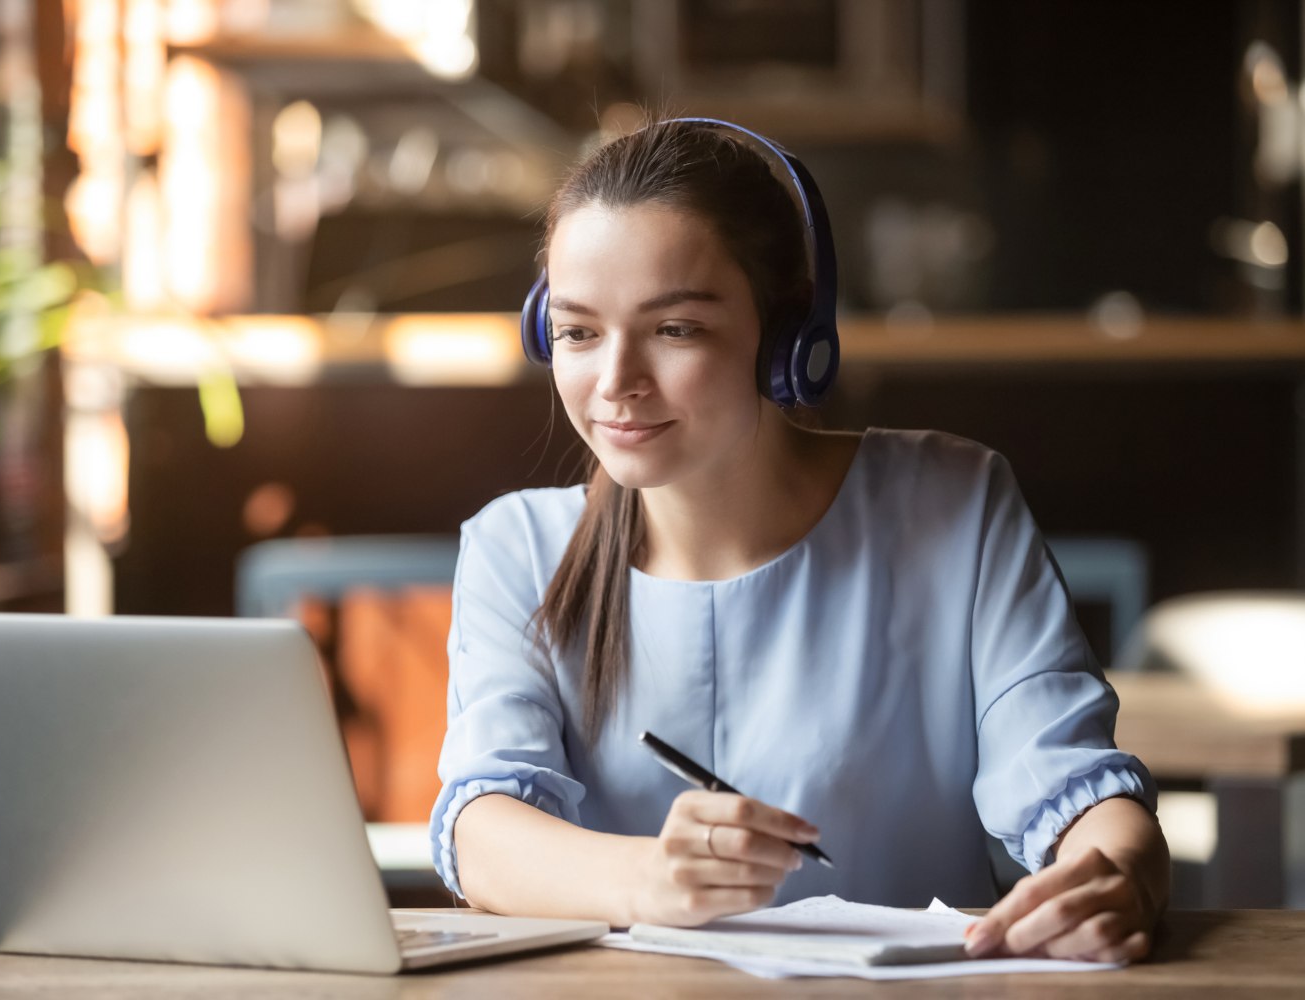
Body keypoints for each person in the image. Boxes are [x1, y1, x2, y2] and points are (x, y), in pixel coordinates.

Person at [430, 117, 1169, 964]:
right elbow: (483, 829)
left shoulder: (953, 504)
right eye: (579, 331)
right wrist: (654, 882)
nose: (616, 382)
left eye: (676, 329)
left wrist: (1121, 871)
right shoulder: (514, 547)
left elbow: (1070, 783)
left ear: (788, 342)